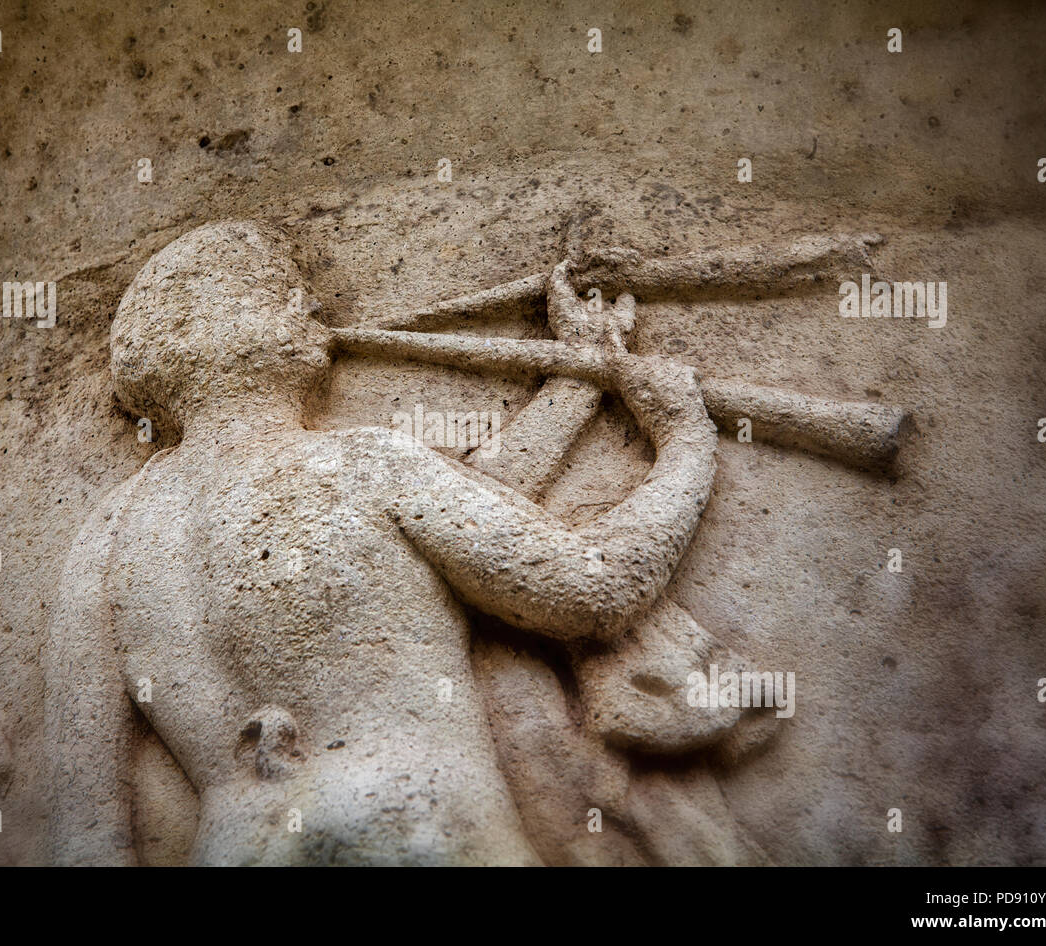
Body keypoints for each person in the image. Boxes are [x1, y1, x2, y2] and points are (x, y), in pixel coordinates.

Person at [45, 220, 716, 865]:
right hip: (412, 830)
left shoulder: (106, 542)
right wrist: (685, 439)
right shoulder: (364, 462)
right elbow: (590, 588)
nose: (310, 304)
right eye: (280, 289)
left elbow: (84, 833)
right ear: (216, 327)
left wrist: (575, 383)